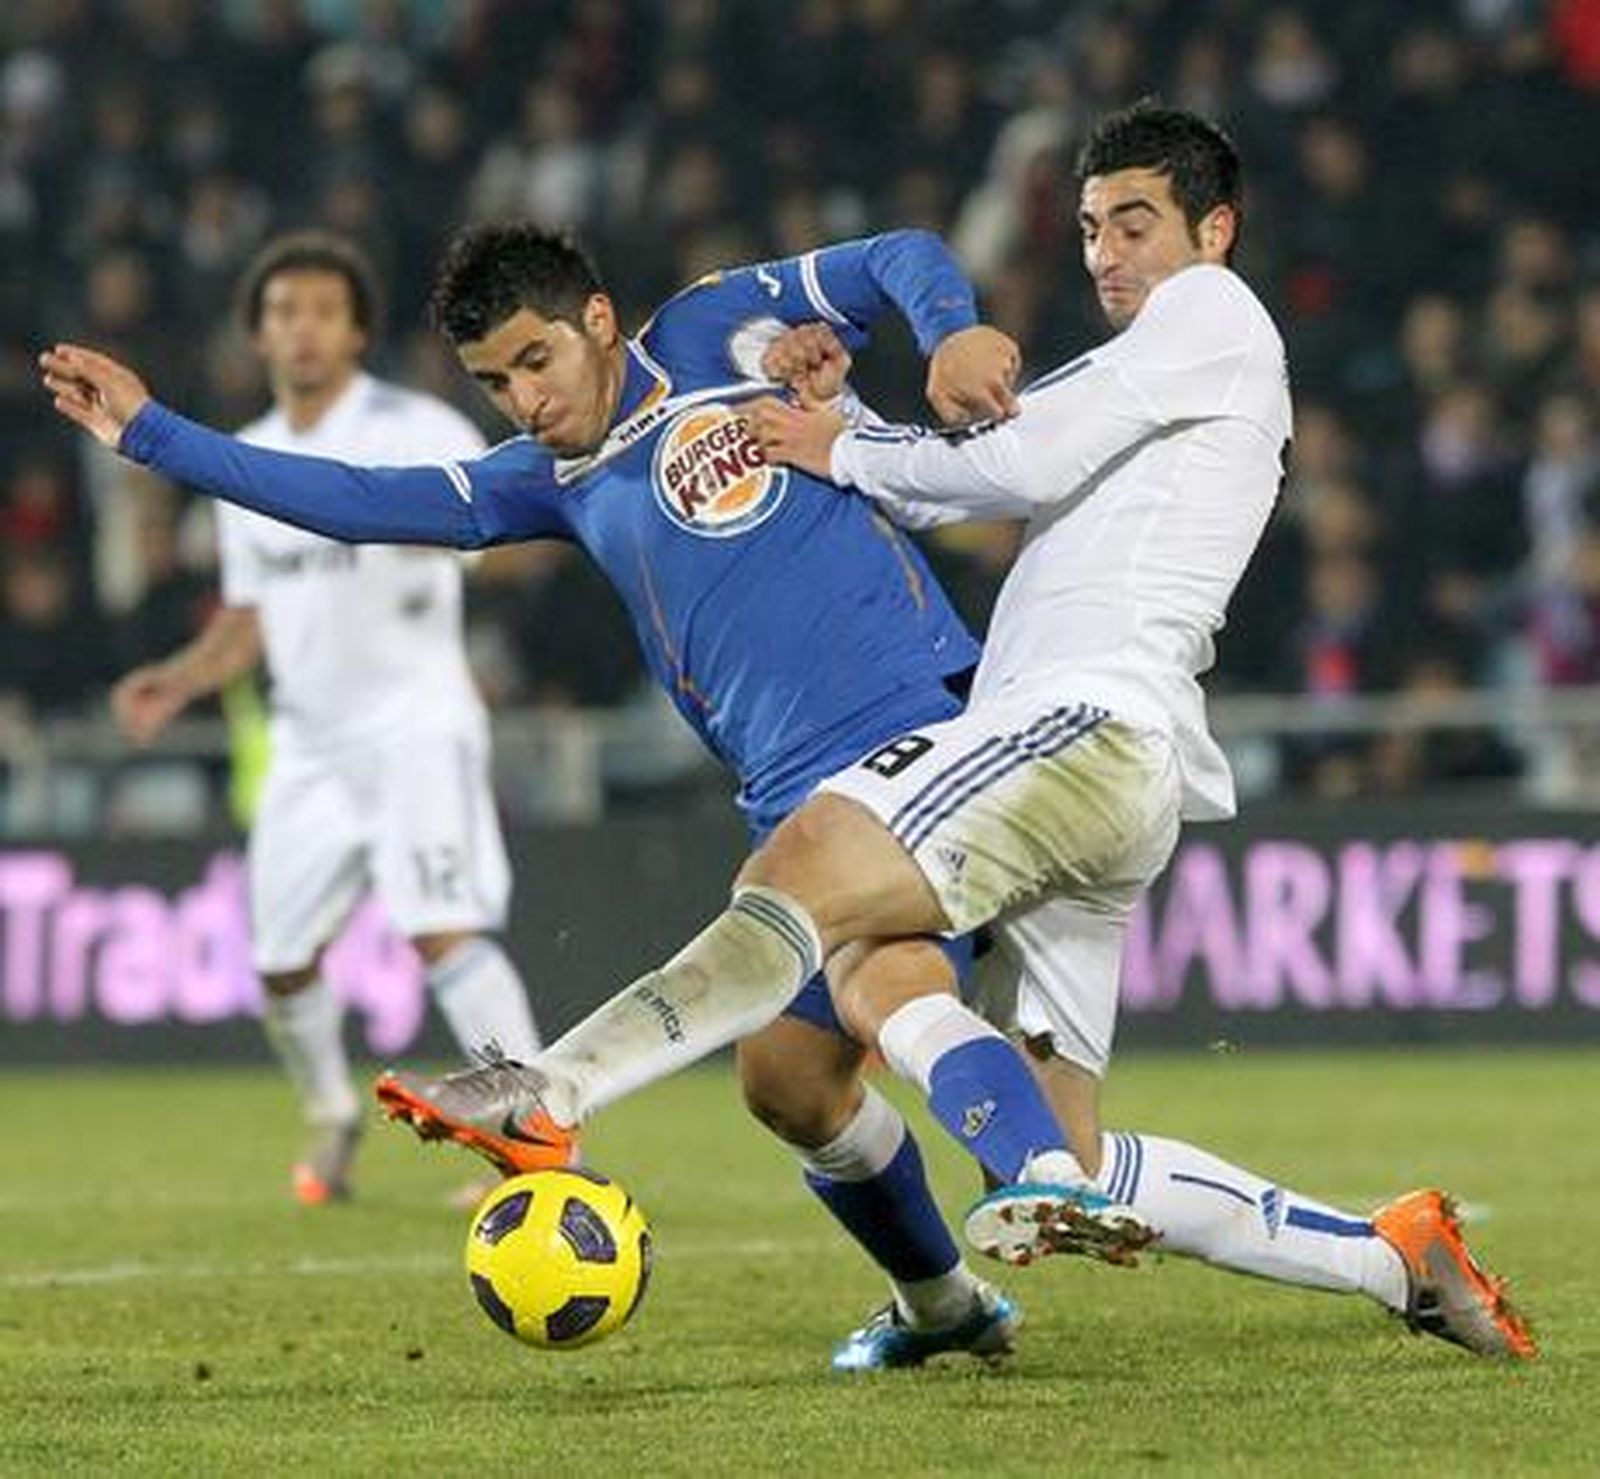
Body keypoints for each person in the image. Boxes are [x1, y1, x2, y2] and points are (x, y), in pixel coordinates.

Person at [361, 105, 1534, 1361]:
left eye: (1132, 223)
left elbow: (1009, 470)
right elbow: (985, 480)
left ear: (1216, 228)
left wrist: (844, 441)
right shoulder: (1145, 374)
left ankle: (549, 1089)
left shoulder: (1211, 314)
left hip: (1077, 725)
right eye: (1087, 228)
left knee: (800, 872)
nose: (1103, 255)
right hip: (1089, 762)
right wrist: (852, 426)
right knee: (1068, 1146)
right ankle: (1389, 1256)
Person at [43, 222, 1134, 1372]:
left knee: (885, 985)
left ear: (598, 321)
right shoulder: (545, 483)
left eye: (533, 361)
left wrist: (951, 329)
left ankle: (1037, 1174)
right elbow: (358, 499)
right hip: (790, 794)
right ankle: (946, 1304)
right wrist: (152, 436)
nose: (521, 399)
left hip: (922, 732)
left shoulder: (721, 329)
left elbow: (898, 254)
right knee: (786, 1081)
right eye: (492, 382)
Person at [104, 231, 543, 1206]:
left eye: (321, 311)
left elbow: (519, 532)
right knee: (279, 963)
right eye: (283, 312)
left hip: (416, 726)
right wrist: (177, 679)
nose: (301, 328)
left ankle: (536, 1135)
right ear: (258, 334)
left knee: (442, 928)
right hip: (308, 747)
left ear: (355, 332)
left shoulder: (417, 431)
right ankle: (333, 1114)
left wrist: (455, 541)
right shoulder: (246, 463)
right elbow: (250, 620)